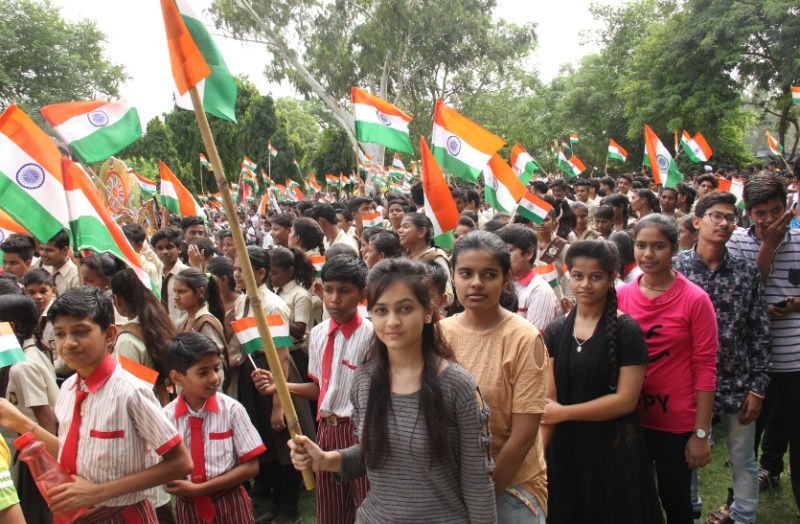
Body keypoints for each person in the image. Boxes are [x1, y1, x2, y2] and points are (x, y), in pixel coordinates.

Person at [287, 258, 496, 523]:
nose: (392, 321)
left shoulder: (457, 385)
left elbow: (478, 481)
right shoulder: (364, 380)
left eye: (405, 308)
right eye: (381, 310)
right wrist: (326, 459)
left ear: (429, 312)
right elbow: (370, 452)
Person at [0, 287, 193, 522]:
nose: (69, 343)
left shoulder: (131, 392)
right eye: (60, 334)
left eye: (80, 332)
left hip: (123, 515)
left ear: (110, 335)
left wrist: (96, 493)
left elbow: (181, 462)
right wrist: (19, 422)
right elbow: (69, 452)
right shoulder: (69, 388)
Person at [541, 240, 663, 523]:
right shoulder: (557, 330)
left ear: (612, 278)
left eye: (595, 277)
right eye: (578, 276)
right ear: (567, 275)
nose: (585, 285)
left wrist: (564, 413)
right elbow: (550, 395)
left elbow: (625, 400)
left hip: (614, 448)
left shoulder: (626, 331)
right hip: (567, 449)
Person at [674, 192, 771, 524]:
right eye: (717, 216)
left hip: (736, 381)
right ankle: (690, 508)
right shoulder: (676, 270)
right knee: (688, 454)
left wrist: (758, 388)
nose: (726, 223)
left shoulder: (746, 272)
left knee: (743, 457)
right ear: (697, 221)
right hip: (687, 383)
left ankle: (744, 515)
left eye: (731, 217)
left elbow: (759, 330)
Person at [254, 255, 373, 524]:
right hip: (326, 431)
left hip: (359, 432)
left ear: (362, 294)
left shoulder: (372, 337)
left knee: (365, 505)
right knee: (330, 508)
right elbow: (320, 388)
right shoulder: (318, 334)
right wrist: (281, 386)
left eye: (344, 291)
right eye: (329, 290)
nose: (334, 299)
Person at [440, 230, 549, 522]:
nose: (476, 283)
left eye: (488, 274)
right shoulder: (438, 334)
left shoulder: (524, 339)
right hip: (450, 486)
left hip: (510, 488)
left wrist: (481, 498)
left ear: (505, 279)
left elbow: (523, 437)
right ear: (453, 276)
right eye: (466, 273)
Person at [617, 214, 718, 523]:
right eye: (641, 245)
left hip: (676, 424)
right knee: (633, 498)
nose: (648, 254)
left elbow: (705, 367)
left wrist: (700, 433)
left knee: (675, 499)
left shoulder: (695, 300)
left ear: (675, 248)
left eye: (658, 246)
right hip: (630, 418)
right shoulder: (621, 296)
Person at [726, 174, 800, 513]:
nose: (769, 219)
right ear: (749, 213)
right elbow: (742, 296)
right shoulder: (736, 243)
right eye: (760, 212)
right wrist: (768, 247)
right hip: (755, 365)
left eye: (775, 210)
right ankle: (737, 507)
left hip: (796, 360)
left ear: (787, 207)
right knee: (745, 442)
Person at [232, 247, 312, 524]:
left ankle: (290, 509)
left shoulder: (271, 305)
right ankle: (277, 504)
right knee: (269, 447)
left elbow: (282, 357)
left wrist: (279, 404)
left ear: (261, 273)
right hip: (257, 382)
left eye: (242, 270)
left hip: (275, 382)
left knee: (285, 448)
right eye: (235, 269)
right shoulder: (244, 300)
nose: (236, 275)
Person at [164, 332, 266, 524]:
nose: (214, 378)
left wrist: (201, 489)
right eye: (203, 372)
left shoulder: (232, 410)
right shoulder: (165, 418)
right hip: (189, 507)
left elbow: (252, 466)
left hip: (230, 501)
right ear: (177, 378)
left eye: (217, 368)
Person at [0, 295, 58, 524]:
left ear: (10, 326)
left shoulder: (22, 366)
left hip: (35, 458)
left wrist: (50, 469)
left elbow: (47, 418)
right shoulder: (23, 356)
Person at [110, 268, 176, 406]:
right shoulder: (162, 324)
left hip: (145, 413)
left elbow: (127, 392)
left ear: (117, 300)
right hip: (165, 404)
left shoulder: (127, 341)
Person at [496, 224, 560, 332]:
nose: (501, 256)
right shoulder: (501, 283)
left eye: (509, 250)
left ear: (529, 253)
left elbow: (534, 341)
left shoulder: (539, 291)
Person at [269, 247, 315, 380]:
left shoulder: (300, 295)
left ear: (289, 271)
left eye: (274, 273)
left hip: (296, 354)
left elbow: (299, 330)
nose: (271, 277)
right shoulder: (277, 292)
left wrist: (276, 318)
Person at [397, 213, 453, 306]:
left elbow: (449, 296)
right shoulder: (406, 259)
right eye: (400, 227)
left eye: (406, 226)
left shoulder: (435, 256)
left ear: (421, 232)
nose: (399, 230)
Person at [152, 227, 188, 326]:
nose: (164, 251)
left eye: (169, 247)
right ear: (155, 250)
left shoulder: (186, 274)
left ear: (179, 249)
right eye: (160, 248)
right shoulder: (161, 272)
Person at [37, 229, 79, 296]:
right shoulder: (41, 264)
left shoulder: (76, 276)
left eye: (49, 250)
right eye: (41, 249)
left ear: (65, 250)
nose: (43, 254)